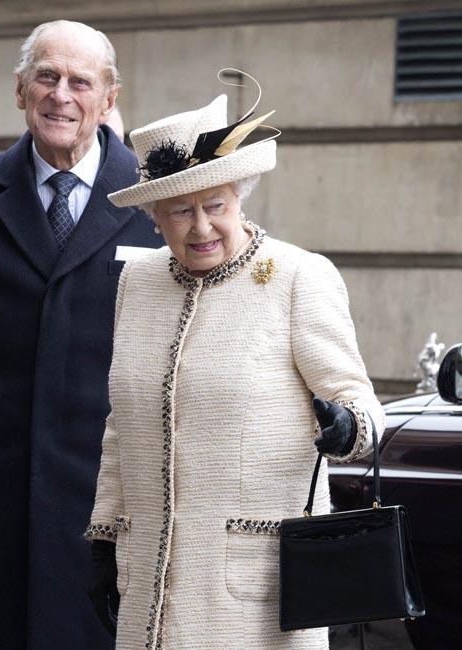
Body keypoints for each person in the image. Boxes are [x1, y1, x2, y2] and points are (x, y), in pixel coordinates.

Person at [85, 75, 386, 649]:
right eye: (180, 211)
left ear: (239, 195)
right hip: (146, 584)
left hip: (255, 596)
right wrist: (103, 539)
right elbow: (121, 426)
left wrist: (347, 427)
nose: (201, 227)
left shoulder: (298, 278)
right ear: (154, 217)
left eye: (215, 205)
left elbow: (361, 404)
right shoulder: (138, 282)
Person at [0, 19, 162, 650]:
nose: (61, 95)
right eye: (46, 76)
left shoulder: (159, 204)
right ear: (20, 89)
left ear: (109, 98)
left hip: (110, 494)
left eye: (81, 82)